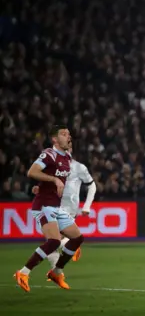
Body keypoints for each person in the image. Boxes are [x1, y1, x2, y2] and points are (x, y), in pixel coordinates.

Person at [14, 125, 85, 292]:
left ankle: (56, 272)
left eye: (69, 134)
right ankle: (23, 273)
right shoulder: (49, 154)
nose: (68, 137)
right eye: (64, 134)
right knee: (53, 242)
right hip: (43, 207)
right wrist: (53, 181)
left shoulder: (67, 157)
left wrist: (43, 186)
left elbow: (51, 179)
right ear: (55, 139)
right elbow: (32, 172)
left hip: (56, 207)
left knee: (77, 238)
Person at [32, 148, 96, 266]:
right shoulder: (54, 165)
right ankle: (57, 269)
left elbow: (92, 186)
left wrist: (87, 206)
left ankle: (67, 248)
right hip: (52, 204)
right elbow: (50, 182)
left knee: (53, 241)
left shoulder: (79, 167)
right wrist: (39, 189)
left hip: (67, 207)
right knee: (53, 241)